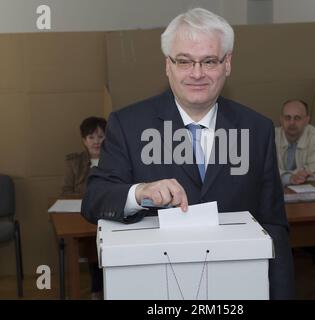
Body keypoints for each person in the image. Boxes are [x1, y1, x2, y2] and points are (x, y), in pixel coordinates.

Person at [81, 8, 295, 299]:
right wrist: (140, 192)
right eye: (184, 61)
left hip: (237, 288)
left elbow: (273, 227)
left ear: (227, 63)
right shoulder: (128, 124)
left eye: (209, 61)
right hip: (154, 289)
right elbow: (95, 199)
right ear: (167, 65)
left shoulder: (256, 128)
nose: (197, 73)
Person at [275, 99, 315, 298]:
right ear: (281, 119)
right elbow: (267, 169)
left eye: (297, 118)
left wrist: (300, 175)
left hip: (308, 198)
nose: (292, 123)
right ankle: (279, 283)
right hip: (279, 198)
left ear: (307, 120)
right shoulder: (272, 136)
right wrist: (289, 176)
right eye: (287, 118)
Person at [61, 116, 107, 300]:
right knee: (92, 245)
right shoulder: (74, 162)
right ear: (84, 140)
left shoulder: (115, 159)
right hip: (83, 217)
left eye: (101, 136)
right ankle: (97, 291)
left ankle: (104, 290)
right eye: (91, 137)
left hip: (107, 215)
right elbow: (65, 191)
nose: (96, 142)